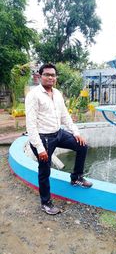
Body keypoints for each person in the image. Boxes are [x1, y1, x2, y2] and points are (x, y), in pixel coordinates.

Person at [25, 63, 93, 215]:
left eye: (53, 75)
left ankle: (76, 177)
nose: (50, 77)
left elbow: (65, 116)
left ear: (56, 78)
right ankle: (46, 203)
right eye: (47, 74)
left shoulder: (57, 93)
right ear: (39, 76)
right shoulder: (33, 95)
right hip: (43, 138)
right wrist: (40, 148)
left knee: (82, 145)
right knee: (44, 170)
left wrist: (75, 132)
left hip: (58, 133)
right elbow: (30, 123)